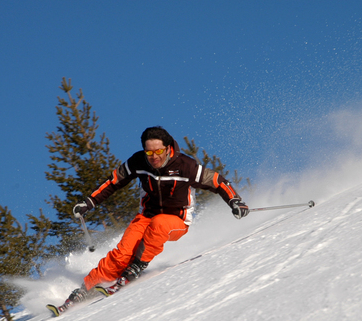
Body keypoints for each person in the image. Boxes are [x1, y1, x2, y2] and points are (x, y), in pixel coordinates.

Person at [63, 126, 249, 306]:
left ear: (168, 148)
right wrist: (89, 202)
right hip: (147, 216)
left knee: (160, 224)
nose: (154, 157)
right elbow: (114, 181)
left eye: (158, 151)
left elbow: (217, 182)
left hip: (177, 220)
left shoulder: (186, 166)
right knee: (123, 252)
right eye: (149, 153)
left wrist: (235, 201)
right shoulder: (138, 161)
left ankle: (137, 267)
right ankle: (88, 286)